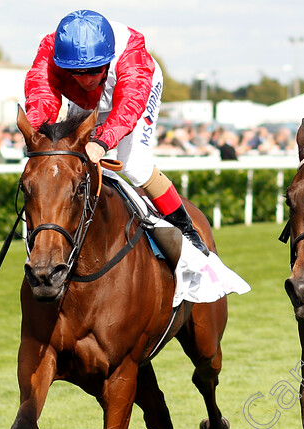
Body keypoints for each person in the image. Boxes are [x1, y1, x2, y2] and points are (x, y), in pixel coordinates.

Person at [24, 9, 207, 254]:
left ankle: (187, 232)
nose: (87, 79)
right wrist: (39, 136)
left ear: (107, 59)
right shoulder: (51, 49)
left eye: (94, 70)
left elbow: (128, 106)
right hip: (88, 101)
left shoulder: (132, 54)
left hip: (134, 90)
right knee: (63, 162)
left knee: (134, 165)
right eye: (78, 72)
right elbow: (41, 93)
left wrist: (102, 142)